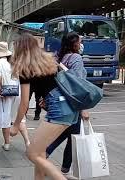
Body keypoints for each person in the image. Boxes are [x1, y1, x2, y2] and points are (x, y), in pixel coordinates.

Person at [10, 33, 79, 180]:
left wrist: (16, 125)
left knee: (32, 153)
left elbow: (24, 103)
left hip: (58, 108)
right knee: (40, 152)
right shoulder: (49, 61)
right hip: (68, 106)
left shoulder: (25, 68)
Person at [46, 32, 89, 179]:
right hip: (73, 104)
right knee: (69, 135)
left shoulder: (61, 57)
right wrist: (83, 108)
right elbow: (79, 85)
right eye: (80, 41)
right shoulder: (76, 58)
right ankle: (45, 156)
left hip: (62, 101)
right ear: (74, 44)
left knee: (70, 134)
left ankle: (60, 165)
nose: (82, 43)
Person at [0, 42, 30, 151]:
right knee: (19, 117)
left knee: (5, 117)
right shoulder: (13, 62)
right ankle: (27, 141)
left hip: (6, 93)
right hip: (17, 92)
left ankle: (7, 143)